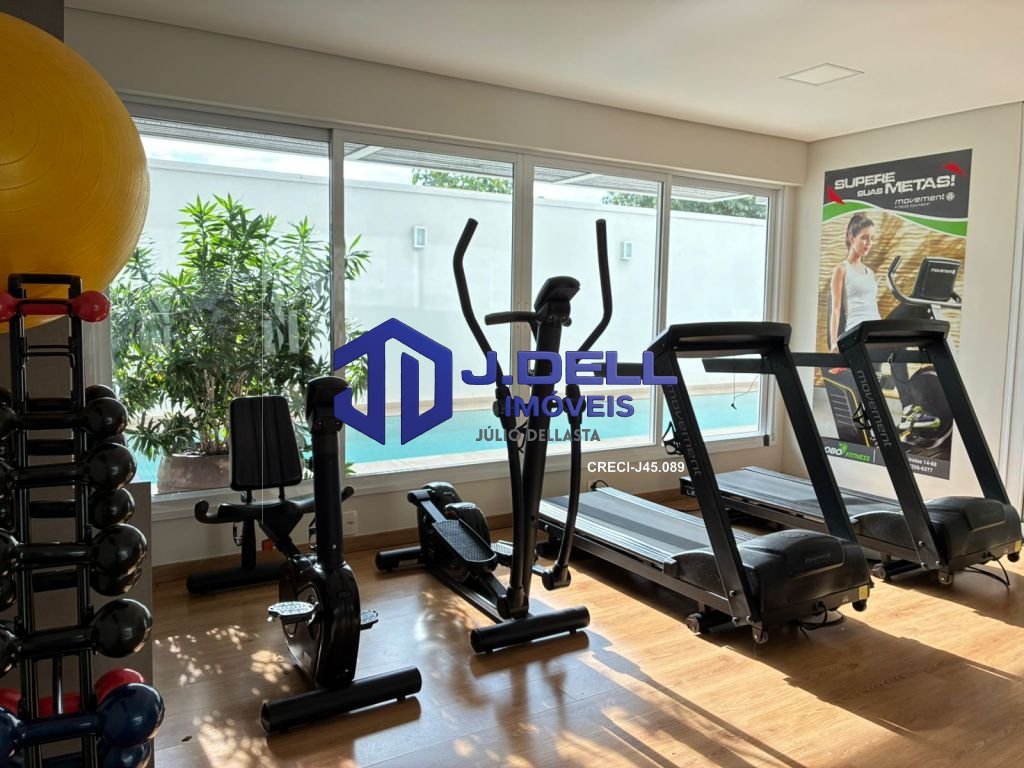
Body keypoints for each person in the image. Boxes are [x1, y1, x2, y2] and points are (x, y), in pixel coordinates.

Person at [828, 213, 880, 353]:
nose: (869, 243)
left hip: (875, 332)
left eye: (872, 238)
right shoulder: (841, 270)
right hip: (856, 331)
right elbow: (836, 309)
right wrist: (834, 343)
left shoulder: (870, 273)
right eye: (864, 237)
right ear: (852, 238)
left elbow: (873, 307)